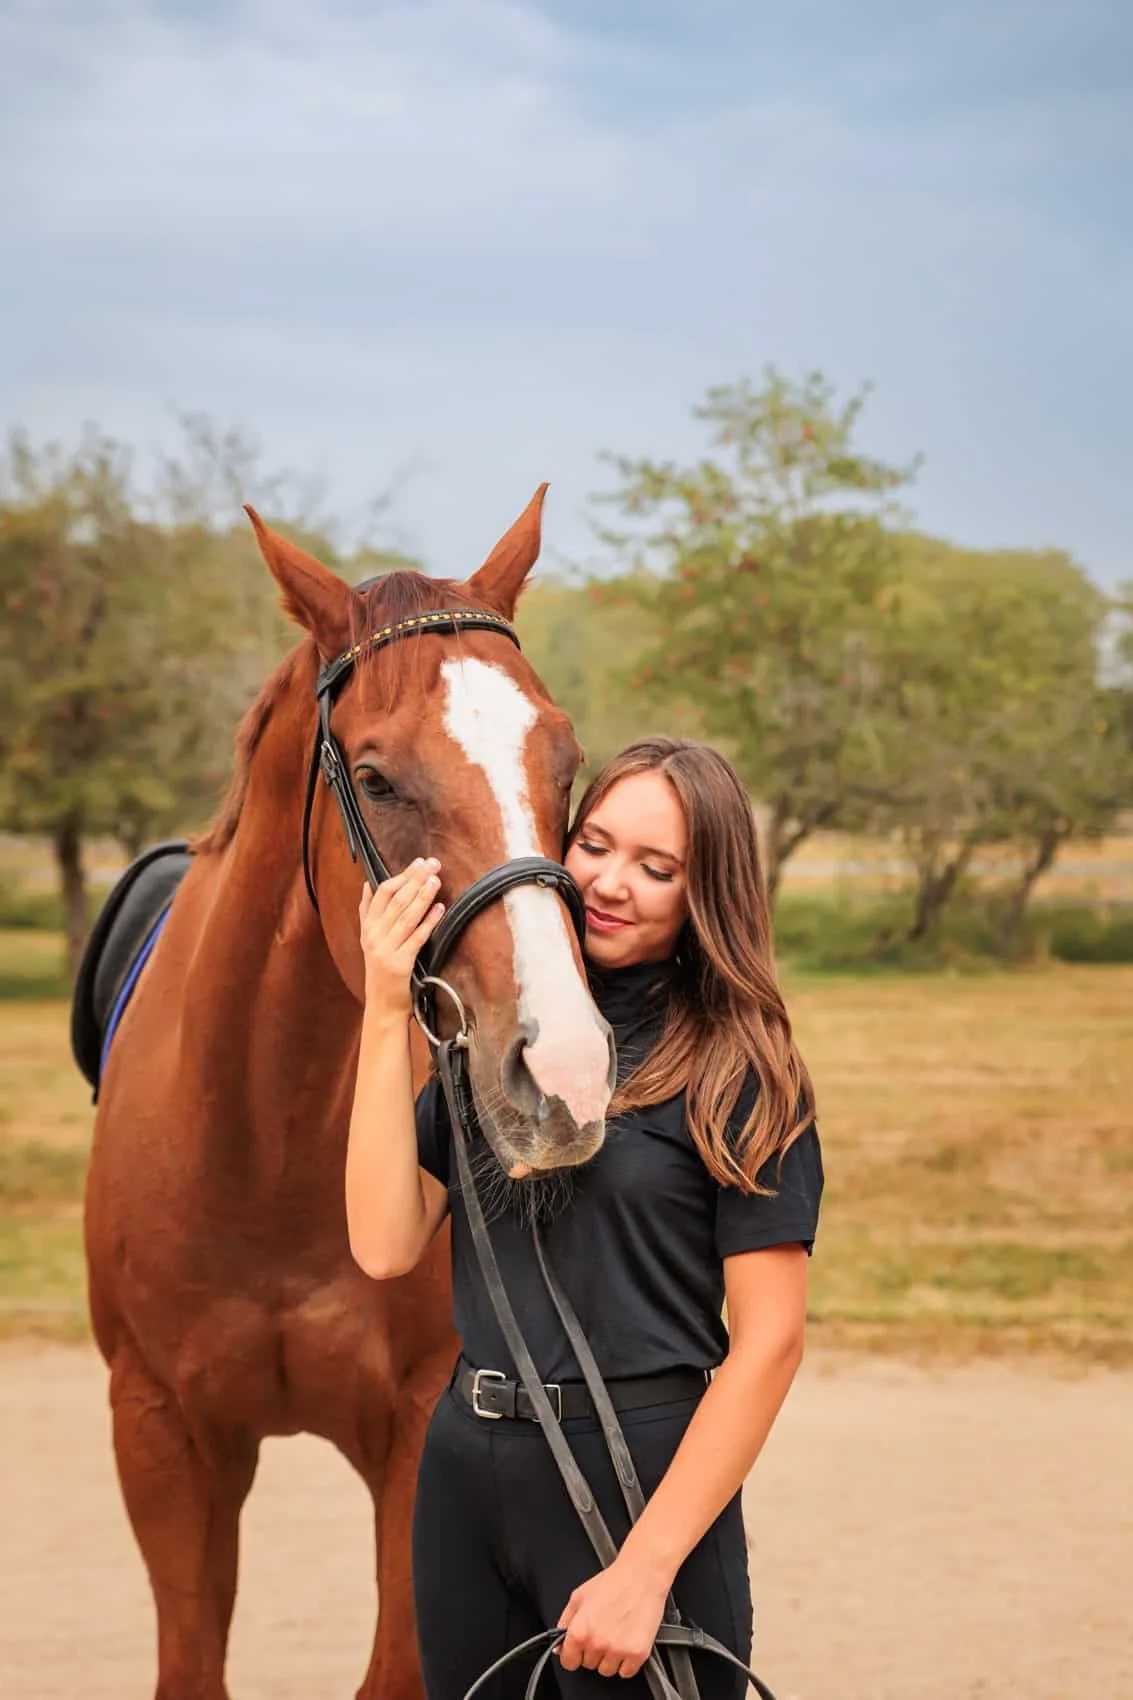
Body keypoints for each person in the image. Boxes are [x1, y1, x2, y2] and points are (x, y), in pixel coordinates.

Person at [345, 736, 823, 1699]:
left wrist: (645, 1572)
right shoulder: (502, 1040)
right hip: (463, 1473)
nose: (608, 882)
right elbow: (384, 1243)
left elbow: (767, 1344)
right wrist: (383, 1006)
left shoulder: (739, 1069)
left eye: (656, 868)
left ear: (705, 895)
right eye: (593, 844)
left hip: (634, 1472)